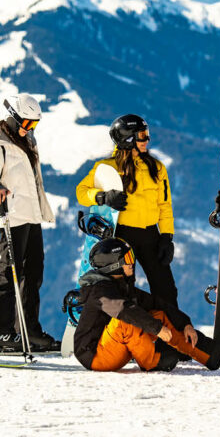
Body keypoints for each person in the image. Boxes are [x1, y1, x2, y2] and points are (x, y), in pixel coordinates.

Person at [0, 94, 59, 352]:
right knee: (10, 273)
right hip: (11, 216)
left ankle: (28, 331)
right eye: (26, 123)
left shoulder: (26, 142)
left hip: (30, 216)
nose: (30, 129)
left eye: (34, 125)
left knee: (34, 273)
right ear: (12, 118)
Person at [73, 237, 220, 371]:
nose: (132, 262)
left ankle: (209, 354)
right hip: (95, 355)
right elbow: (125, 311)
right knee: (126, 321)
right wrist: (157, 329)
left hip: (116, 346)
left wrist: (185, 323)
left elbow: (156, 303)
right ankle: (152, 362)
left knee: (158, 314)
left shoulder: (121, 286)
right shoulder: (99, 292)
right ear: (114, 264)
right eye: (127, 258)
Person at [75, 115, 178, 306]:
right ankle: (129, 332)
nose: (147, 140)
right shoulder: (106, 167)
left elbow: (165, 205)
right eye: (142, 135)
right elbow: (81, 192)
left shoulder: (156, 168)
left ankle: (171, 331)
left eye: (146, 134)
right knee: (125, 290)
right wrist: (102, 197)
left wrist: (166, 237)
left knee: (166, 289)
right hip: (122, 237)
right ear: (127, 138)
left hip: (150, 235)